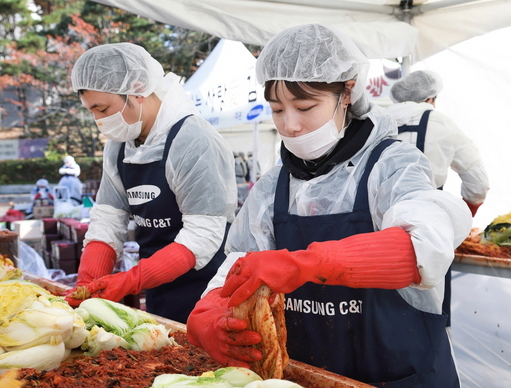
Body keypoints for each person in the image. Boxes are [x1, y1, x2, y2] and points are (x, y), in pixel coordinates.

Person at [186, 24, 471, 387]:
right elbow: (237, 267)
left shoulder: (394, 165)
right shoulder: (273, 186)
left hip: (402, 375)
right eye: (276, 109)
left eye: (305, 106)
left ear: (347, 92)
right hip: (310, 375)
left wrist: (301, 264)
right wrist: (208, 311)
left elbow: (420, 248)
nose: (289, 125)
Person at [64, 43, 237, 324]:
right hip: (159, 289)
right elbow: (108, 219)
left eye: (103, 108)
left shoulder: (193, 140)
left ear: (137, 90)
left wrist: (132, 279)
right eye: (91, 111)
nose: (98, 121)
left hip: (209, 293)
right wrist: (87, 284)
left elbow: (202, 235)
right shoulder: (119, 147)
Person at [387, 70, 490, 327]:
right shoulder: (442, 122)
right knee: (429, 314)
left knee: (379, 314)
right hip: (428, 231)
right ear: (431, 98)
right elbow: (478, 183)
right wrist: (461, 221)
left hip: (373, 229)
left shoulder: (377, 120)